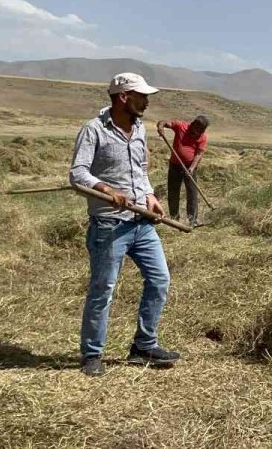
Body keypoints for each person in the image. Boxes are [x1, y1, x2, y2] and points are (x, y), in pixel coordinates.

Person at [69, 73, 179, 377]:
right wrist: (107, 190)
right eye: (141, 96)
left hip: (140, 222)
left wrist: (149, 195)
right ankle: (92, 354)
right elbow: (77, 174)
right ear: (123, 97)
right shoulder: (94, 130)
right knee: (103, 289)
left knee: (160, 280)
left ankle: (144, 345)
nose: (146, 101)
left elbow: (140, 170)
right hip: (108, 224)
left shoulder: (140, 128)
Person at [156, 115, 210, 228]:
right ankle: (174, 218)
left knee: (192, 193)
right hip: (175, 165)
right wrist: (161, 127)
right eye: (198, 129)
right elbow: (164, 121)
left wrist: (192, 167)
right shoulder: (181, 127)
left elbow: (199, 154)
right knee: (173, 192)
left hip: (190, 167)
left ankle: (193, 219)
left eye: (202, 130)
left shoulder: (203, 137)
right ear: (193, 124)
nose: (199, 132)